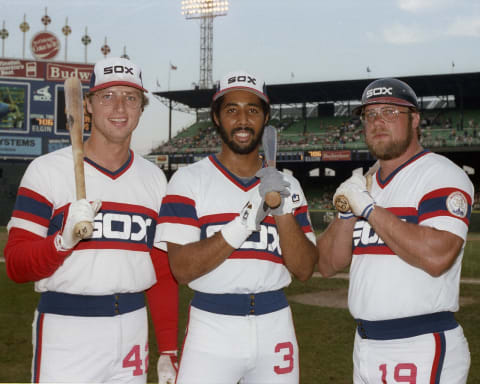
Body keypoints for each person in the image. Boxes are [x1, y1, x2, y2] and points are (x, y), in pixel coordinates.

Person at [4, 57, 179, 384]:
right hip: (67, 328)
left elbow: (161, 271)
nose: (119, 107)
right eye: (107, 96)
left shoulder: (155, 179)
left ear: (141, 108)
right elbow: (15, 265)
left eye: (131, 97)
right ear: (87, 105)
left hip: (132, 327)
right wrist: (63, 241)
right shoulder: (46, 171)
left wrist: (168, 347)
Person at [156, 70, 317, 384]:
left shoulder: (290, 184)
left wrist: (282, 210)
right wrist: (244, 221)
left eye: (252, 110)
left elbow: (305, 268)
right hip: (212, 325)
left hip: (276, 323)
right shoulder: (189, 181)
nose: (243, 120)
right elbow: (182, 269)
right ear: (216, 118)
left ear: (265, 117)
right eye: (232, 110)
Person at [316, 78, 473, 383]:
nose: (378, 122)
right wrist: (347, 211)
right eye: (370, 115)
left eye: (390, 112)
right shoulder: (363, 185)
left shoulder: (440, 174)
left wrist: (370, 209)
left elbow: (437, 256)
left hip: (419, 343)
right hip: (365, 344)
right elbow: (327, 264)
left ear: (415, 119)